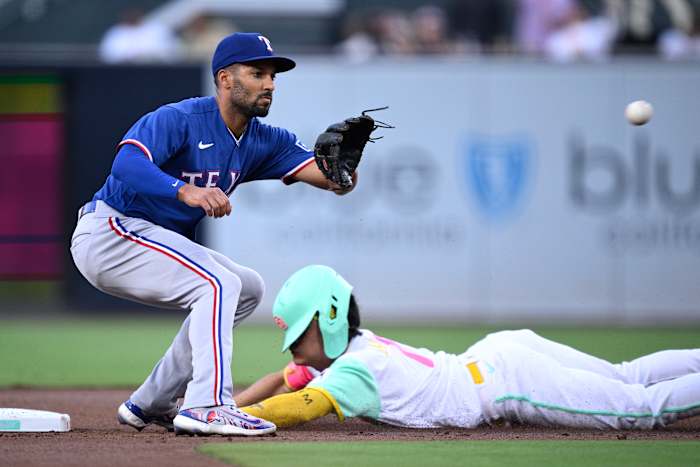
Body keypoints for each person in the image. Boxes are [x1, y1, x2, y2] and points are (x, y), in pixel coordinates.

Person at [70, 33, 358, 437]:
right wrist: (185, 190)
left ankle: (150, 401)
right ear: (225, 79)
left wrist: (345, 172)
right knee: (218, 282)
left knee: (246, 287)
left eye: (273, 75)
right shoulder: (180, 119)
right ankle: (207, 405)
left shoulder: (262, 139)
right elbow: (126, 163)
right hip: (110, 231)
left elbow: (330, 180)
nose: (270, 83)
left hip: (148, 238)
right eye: (257, 73)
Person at [236, 265, 700, 430]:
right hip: (497, 355)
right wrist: (221, 406)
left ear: (329, 318)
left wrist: (235, 420)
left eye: (298, 332)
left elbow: (298, 407)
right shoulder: (349, 353)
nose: (291, 345)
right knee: (625, 375)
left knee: (637, 409)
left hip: (506, 383)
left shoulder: (354, 371)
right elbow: (281, 382)